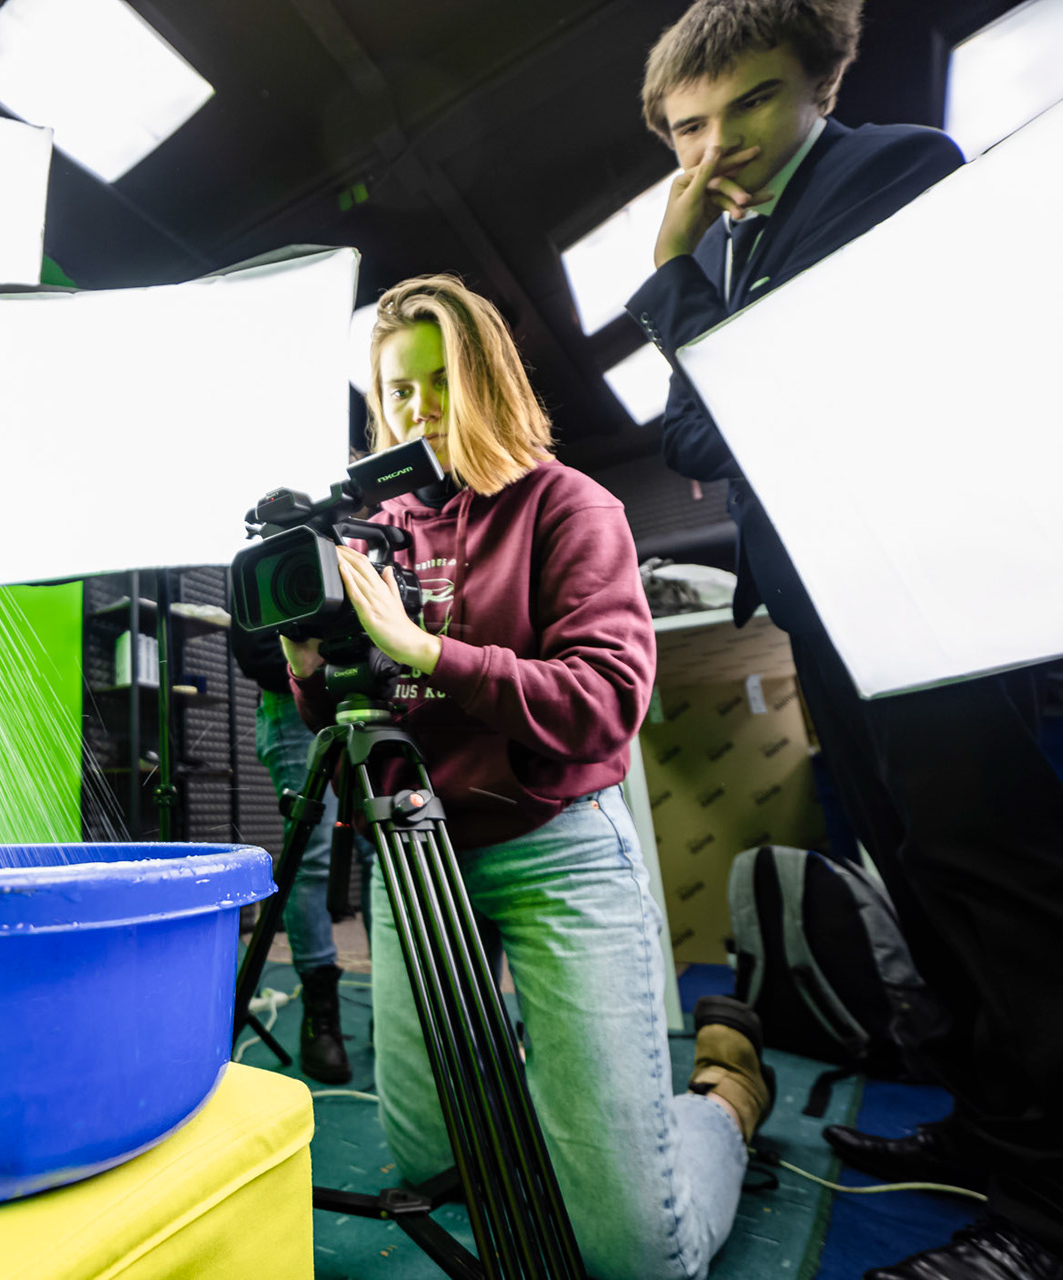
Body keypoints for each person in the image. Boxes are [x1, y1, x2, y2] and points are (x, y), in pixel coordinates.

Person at [627, 2, 1063, 1274]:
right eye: (688, 128)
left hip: (930, 590)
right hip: (825, 611)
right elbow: (694, 437)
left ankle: (1048, 1214)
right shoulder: (738, 251)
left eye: (752, 103)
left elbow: (782, 393)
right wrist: (700, 290)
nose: (716, 148)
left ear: (823, 81)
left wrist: (670, 269)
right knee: (917, 874)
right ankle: (994, 1130)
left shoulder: (895, 170)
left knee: (996, 878)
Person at [286, 274, 768, 1280]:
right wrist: (311, 666)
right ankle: (566, 1096)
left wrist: (424, 648)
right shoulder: (371, 533)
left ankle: (726, 1094)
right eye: (398, 389)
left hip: (556, 847)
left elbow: (605, 700)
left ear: (489, 379)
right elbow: (349, 725)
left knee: (640, 1256)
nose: (419, 408)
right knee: (437, 1163)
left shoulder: (568, 504)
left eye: (440, 380)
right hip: (419, 857)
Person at [228, 622, 371, 1083]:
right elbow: (255, 652)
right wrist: (319, 669)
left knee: (381, 856)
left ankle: (394, 1001)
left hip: (369, 701)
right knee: (311, 857)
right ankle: (319, 1014)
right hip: (293, 706)